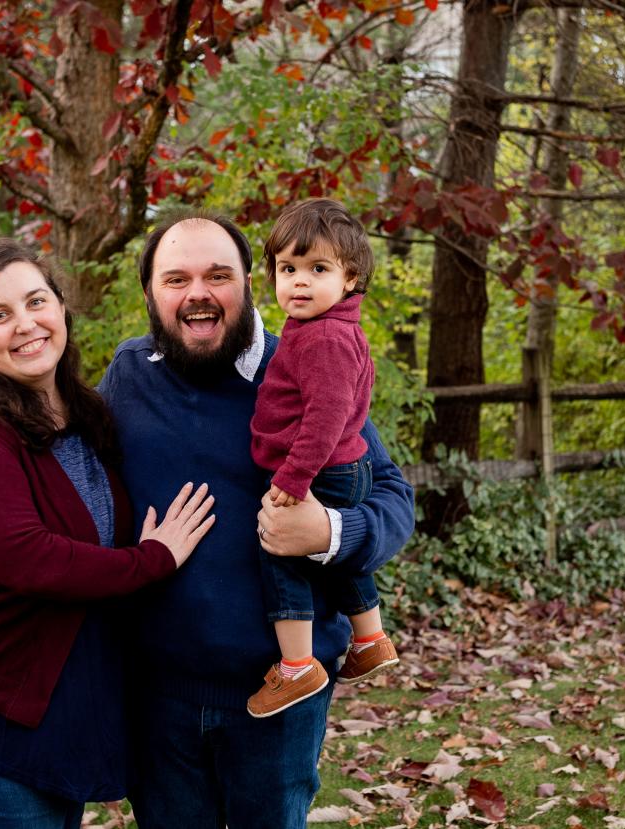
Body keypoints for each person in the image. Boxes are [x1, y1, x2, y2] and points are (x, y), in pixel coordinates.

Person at [0, 239, 216, 829]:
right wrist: (153, 560)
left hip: (50, 699)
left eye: (37, 302)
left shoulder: (84, 413)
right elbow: (30, 560)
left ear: (61, 308)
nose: (25, 324)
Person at [99, 209, 415, 829]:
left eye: (218, 275)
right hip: (157, 694)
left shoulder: (304, 361)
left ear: (249, 282)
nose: (197, 294)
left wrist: (330, 532)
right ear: (149, 293)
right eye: (175, 279)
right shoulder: (128, 377)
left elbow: (391, 496)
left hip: (280, 699)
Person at [246, 198, 398, 719]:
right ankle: (371, 638)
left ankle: (296, 664)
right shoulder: (324, 330)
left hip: (323, 467)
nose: (299, 282)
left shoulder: (325, 337)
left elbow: (327, 416)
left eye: (318, 269)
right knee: (329, 556)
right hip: (342, 464)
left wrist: (293, 476)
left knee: (280, 549)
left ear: (351, 278)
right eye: (287, 269)